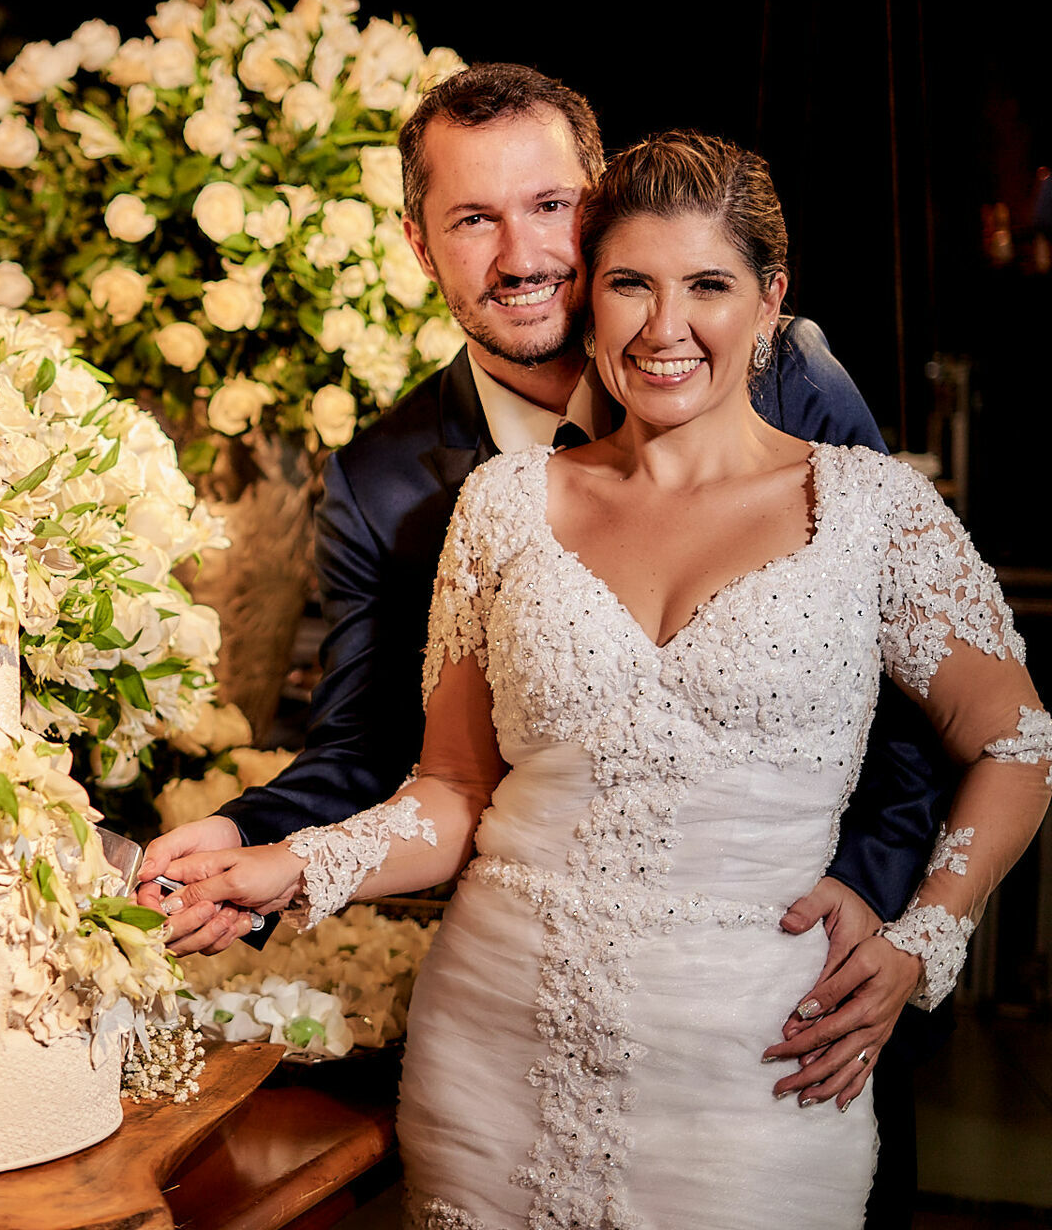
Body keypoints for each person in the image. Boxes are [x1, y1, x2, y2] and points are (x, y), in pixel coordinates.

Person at [160, 128, 1051, 1229]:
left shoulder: (873, 512)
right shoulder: (500, 506)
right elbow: (451, 792)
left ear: (772, 299)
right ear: (593, 295)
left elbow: (1015, 743)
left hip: (760, 1067)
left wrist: (925, 934)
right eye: (631, 282)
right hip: (491, 1047)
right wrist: (290, 865)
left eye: (708, 286)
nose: (665, 326)